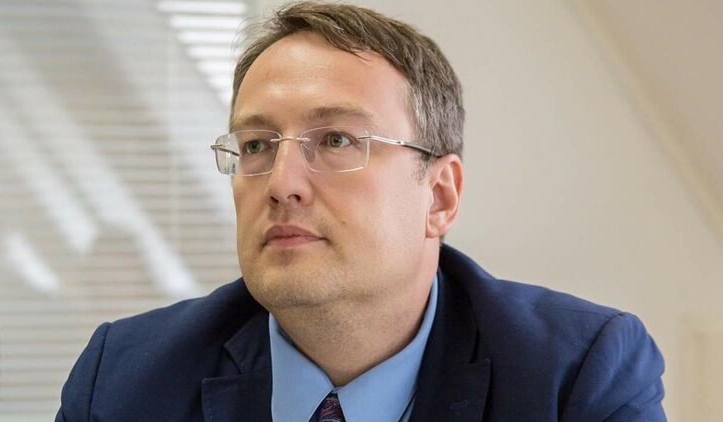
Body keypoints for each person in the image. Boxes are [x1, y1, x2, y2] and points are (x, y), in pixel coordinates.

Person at [56, 2, 666, 421]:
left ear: (439, 196)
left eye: (337, 140)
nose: (282, 184)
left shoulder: (573, 376)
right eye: (257, 146)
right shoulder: (125, 381)